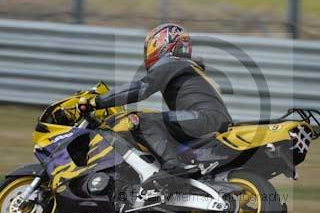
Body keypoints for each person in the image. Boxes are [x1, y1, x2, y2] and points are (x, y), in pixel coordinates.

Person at [94, 23, 232, 186]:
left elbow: (141, 89)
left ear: (161, 44)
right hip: (215, 119)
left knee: (141, 120)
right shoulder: (189, 66)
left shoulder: (171, 63)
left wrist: (99, 101)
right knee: (162, 123)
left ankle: (173, 170)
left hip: (204, 117)